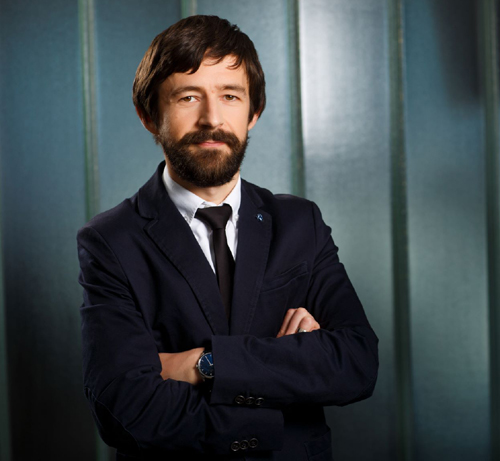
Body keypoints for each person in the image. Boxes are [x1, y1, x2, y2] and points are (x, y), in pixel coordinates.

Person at [77, 15, 378, 461]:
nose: (212, 118)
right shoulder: (110, 241)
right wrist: (278, 405)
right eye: (188, 96)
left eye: (230, 96)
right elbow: (125, 407)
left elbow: (357, 363)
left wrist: (206, 364)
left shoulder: (301, 223)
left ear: (253, 112)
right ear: (149, 115)